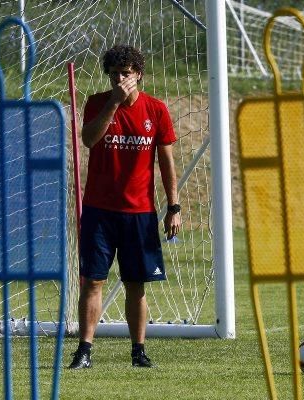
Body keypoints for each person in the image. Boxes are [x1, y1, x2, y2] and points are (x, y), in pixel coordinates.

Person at [67, 44, 181, 369]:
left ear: (139, 75)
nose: (120, 79)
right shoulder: (97, 104)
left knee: (136, 284)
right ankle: (84, 351)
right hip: (99, 212)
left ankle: (138, 351)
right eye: (115, 74)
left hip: (140, 214)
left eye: (126, 74)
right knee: (92, 281)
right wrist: (114, 105)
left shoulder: (156, 110)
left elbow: (166, 162)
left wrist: (174, 207)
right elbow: (88, 139)